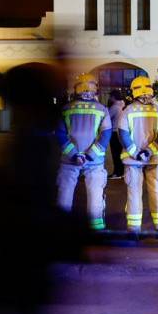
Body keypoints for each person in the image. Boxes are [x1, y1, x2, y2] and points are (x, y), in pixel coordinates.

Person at [55, 73, 112, 230]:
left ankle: (61, 227)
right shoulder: (102, 109)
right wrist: (90, 155)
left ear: (76, 89)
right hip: (94, 161)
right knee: (95, 194)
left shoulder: (66, 109)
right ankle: (96, 228)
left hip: (69, 160)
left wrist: (74, 154)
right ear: (95, 89)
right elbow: (105, 134)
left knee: (65, 193)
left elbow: (59, 133)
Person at [117, 75, 158, 233]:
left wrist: (136, 153)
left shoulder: (127, 111)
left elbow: (123, 135)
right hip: (154, 159)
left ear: (133, 91)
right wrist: (149, 151)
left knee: (134, 193)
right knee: (156, 192)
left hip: (133, 161)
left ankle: (134, 229)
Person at [107, 91, 126, 179]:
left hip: (114, 132)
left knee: (115, 153)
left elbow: (106, 118)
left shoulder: (114, 107)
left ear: (114, 97)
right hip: (120, 131)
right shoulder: (122, 106)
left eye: (110, 96)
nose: (109, 98)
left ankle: (117, 173)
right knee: (119, 153)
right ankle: (121, 172)